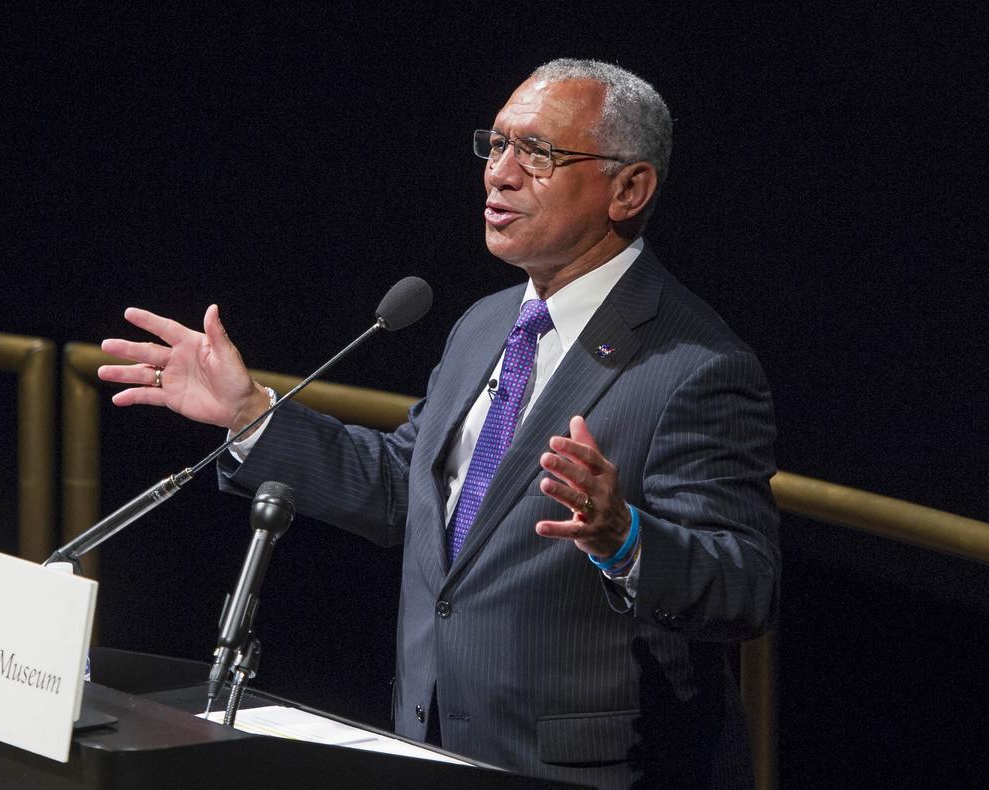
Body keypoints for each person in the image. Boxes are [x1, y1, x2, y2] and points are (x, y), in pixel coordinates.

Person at [99, 58, 779, 789]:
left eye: (539, 153)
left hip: (587, 770)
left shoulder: (696, 365)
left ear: (629, 188)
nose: (501, 174)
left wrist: (626, 540)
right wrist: (251, 416)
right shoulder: (485, 324)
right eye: (497, 144)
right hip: (429, 743)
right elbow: (407, 489)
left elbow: (744, 585)